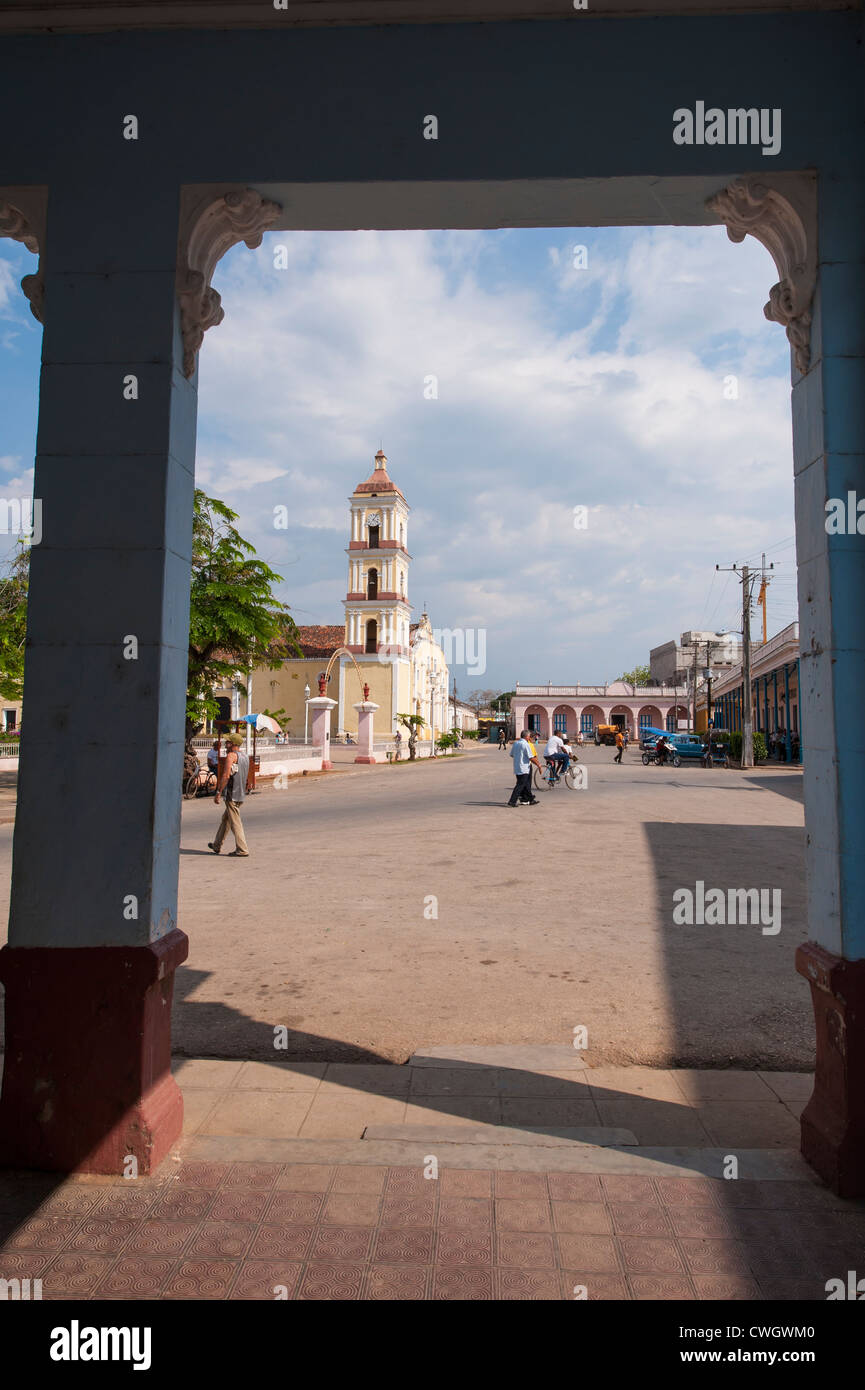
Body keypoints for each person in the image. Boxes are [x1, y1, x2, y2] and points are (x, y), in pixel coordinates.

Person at [209, 732, 251, 856]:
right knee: (226, 819)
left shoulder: (231, 756)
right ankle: (217, 845)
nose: (225, 745)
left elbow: (226, 775)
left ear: (232, 744)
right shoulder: (245, 756)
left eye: (227, 742)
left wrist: (218, 792)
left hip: (232, 793)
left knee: (235, 822)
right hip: (241, 793)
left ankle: (242, 849)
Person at [508, 729, 541, 806]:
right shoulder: (525, 744)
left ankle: (530, 799)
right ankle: (512, 801)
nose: (530, 738)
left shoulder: (516, 743)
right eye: (529, 736)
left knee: (525, 784)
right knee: (520, 785)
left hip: (517, 767)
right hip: (524, 767)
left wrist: (519, 758)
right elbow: (531, 757)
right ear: (527, 736)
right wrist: (538, 765)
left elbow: (512, 754)